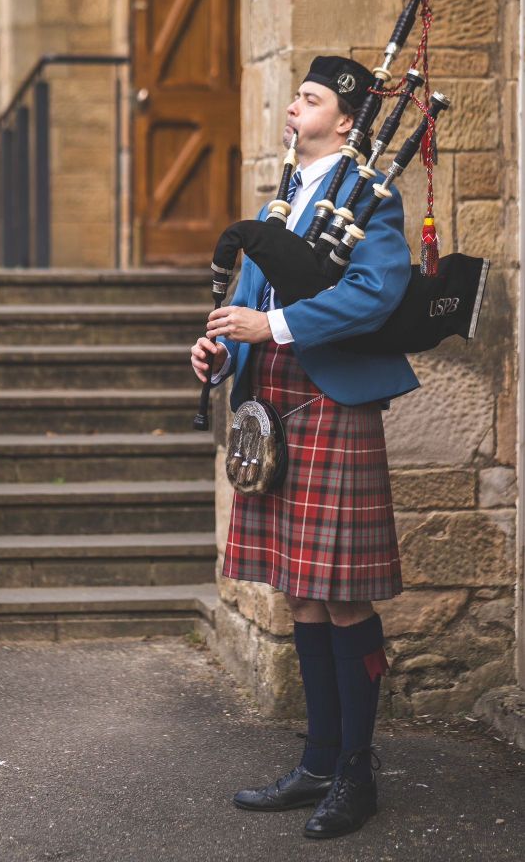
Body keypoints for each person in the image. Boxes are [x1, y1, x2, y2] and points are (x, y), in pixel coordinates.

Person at [190, 56, 420, 840]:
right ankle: (317, 762)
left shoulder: (372, 201)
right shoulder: (279, 201)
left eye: (311, 97)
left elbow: (375, 292)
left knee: (342, 594)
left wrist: (276, 327)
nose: (295, 104)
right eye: (296, 94)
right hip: (274, 405)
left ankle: (356, 773)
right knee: (302, 590)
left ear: (346, 121)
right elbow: (249, 300)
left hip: (330, 405)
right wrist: (222, 350)